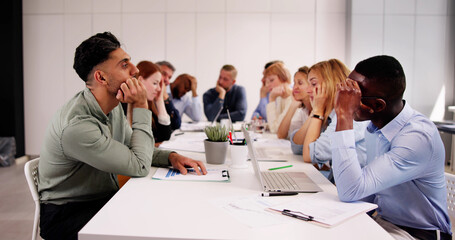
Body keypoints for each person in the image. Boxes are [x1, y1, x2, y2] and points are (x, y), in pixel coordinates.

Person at [37, 32, 207, 240]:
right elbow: (139, 166)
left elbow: (135, 149)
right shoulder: (78, 126)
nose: (136, 70)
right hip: (68, 214)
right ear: (101, 77)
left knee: (167, 210)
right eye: (125, 65)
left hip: (101, 198)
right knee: (151, 223)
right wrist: (141, 105)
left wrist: (171, 157)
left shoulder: (113, 105)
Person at [331, 55, 452, 240]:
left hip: (418, 234)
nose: (344, 99)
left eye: (353, 96)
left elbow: (350, 191)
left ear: (377, 106)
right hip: (383, 222)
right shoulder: (375, 128)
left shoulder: (417, 137)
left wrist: (344, 115)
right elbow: (363, 193)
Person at [289, 59, 367, 181]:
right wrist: (316, 111)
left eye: (313, 84)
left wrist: (317, 111)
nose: (308, 90)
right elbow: (297, 146)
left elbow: (309, 155)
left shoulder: (349, 117)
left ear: (332, 85)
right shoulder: (331, 115)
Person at [125, 61, 177, 143]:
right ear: (141, 80)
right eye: (155, 83)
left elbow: (165, 136)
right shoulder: (125, 104)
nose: (159, 89)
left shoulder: (150, 103)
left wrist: (160, 101)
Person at [276, 66, 312, 139]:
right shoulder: (303, 111)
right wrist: (293, 105)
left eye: (300, 83)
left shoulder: (318, 111)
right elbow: (281, 135)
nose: (295, 87)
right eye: (294, 83)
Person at [264, 62, 293, 133]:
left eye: (271, 80)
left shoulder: (292, 99)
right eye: (266, 82)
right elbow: (276, 122)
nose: (267, 85)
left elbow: (275, 129)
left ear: (284, 78)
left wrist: (271, 99)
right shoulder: (280, 98)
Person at [156, 60, 181, 130]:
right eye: (163, 74)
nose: (167, 80)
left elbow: (176, 124)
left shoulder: (165, 95)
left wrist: (165, 96)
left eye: (169, 77)